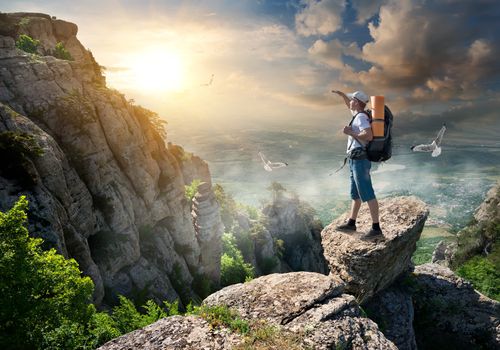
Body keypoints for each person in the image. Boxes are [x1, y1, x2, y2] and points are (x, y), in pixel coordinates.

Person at [331, 90, 382, 238]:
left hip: (360, 160)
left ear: (358, 102)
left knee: (367, 193)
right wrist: (343, 96)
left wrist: (350, 132)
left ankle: (376, 228)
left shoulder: (360, 117)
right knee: (355, 194)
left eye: (353, 99)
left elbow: (369, 135)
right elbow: (350, 106)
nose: (350, 102)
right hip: (355, 159)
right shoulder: (357, 115)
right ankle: (351, 223)